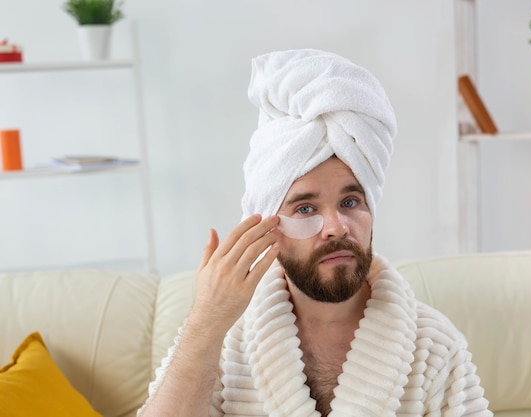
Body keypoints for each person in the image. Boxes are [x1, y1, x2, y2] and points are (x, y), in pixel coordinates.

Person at [138, 49, 492, 417]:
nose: (337, 227)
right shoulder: (225, 340)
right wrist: (206, 322)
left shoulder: (433, 346)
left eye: (351, 202)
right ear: (267, 227)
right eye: (305, 209)